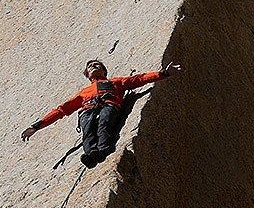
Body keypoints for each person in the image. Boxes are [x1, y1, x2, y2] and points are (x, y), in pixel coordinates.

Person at [21, 59, 181, 168]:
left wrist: (163, 74)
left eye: (97, 65)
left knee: (104, 124)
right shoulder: (83, 92)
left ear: (104, 71)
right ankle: (91, 154)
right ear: (87, 75)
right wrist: (37, 126)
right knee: (88, 132)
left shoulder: (115, 82)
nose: (94, 67)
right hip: (87, 110)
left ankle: (103, 150)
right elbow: (62, 110)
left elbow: (138, 79)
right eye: (91, 67)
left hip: (108, 105)